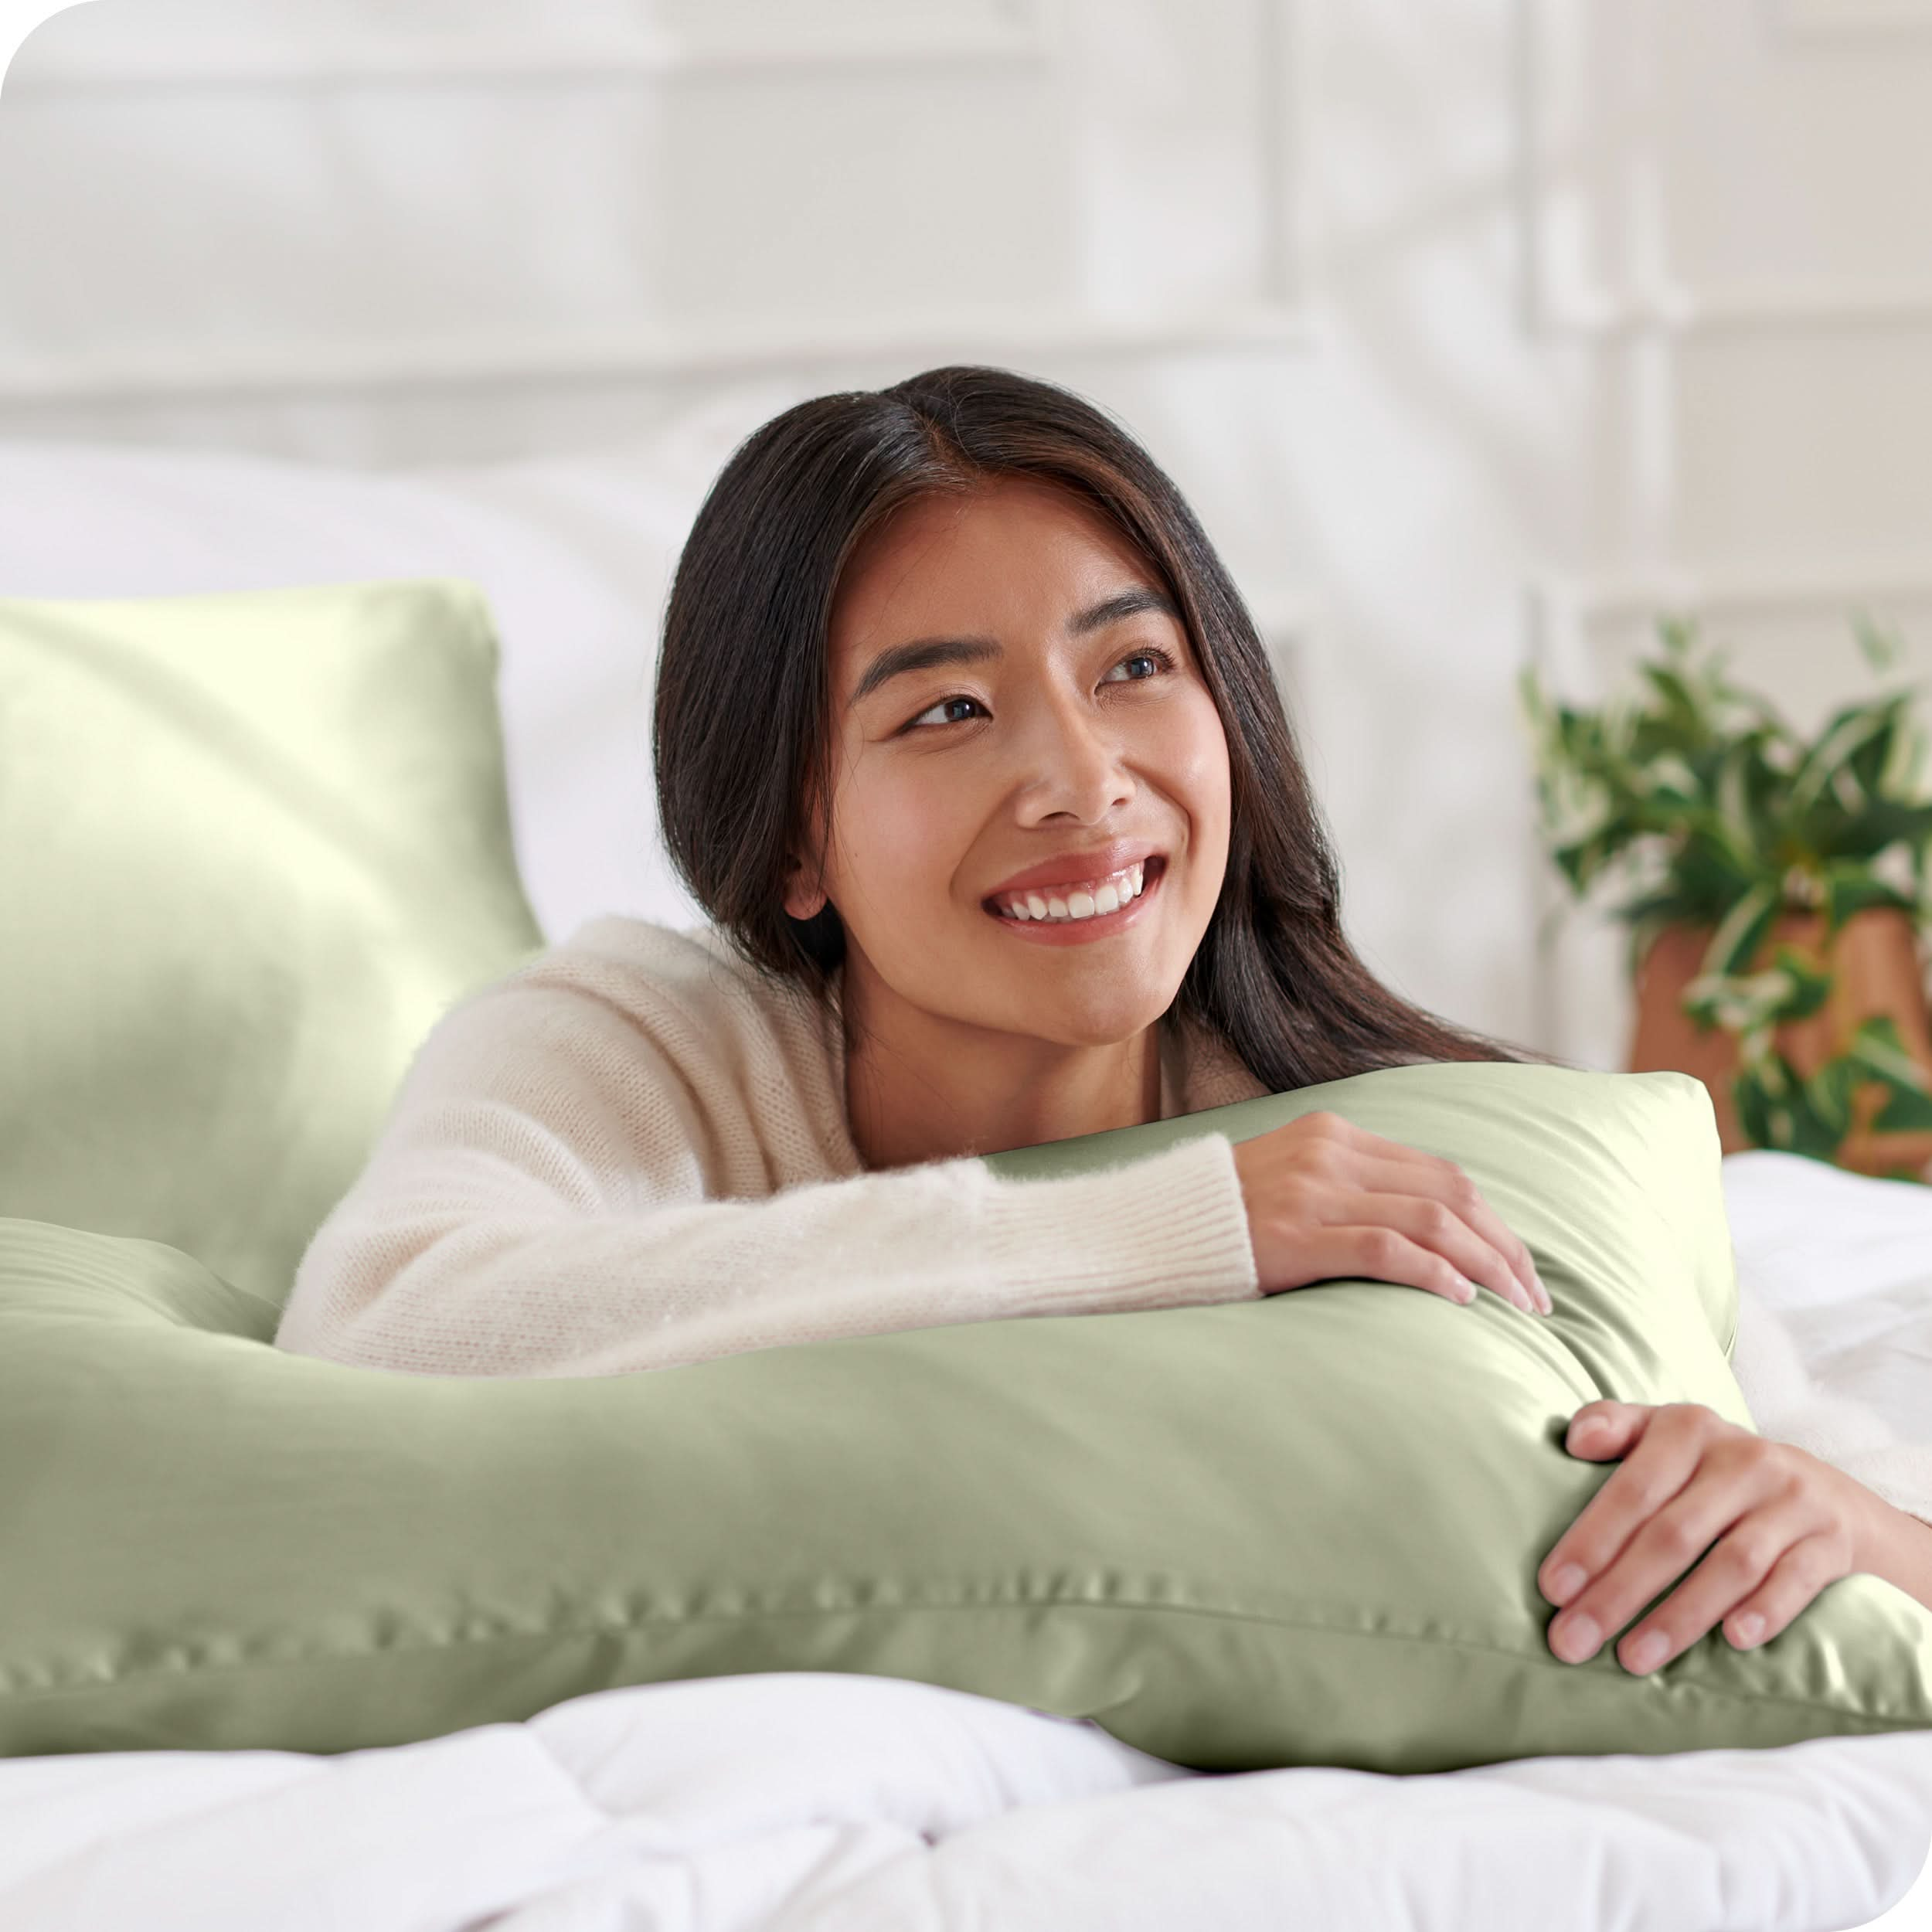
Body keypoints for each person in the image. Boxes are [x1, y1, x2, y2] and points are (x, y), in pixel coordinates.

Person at [274, 365, 1932, 1662]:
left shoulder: (1400, 1121)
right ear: (789, 833)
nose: (1080, 779)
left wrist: (1826, 1519)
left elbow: (1855, 1494)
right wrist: (1168, 1232)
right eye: (948, 709)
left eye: (1132, 668)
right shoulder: (637, 1032)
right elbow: (384, 1324)